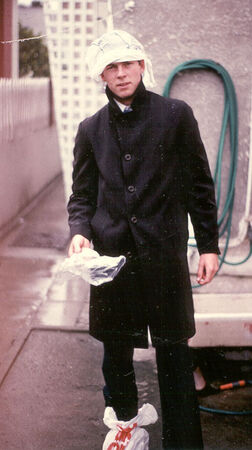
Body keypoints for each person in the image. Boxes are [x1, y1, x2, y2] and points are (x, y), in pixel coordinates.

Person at [67, 30, 219, 449]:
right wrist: (80, 233)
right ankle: (127, 434)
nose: (121, 74)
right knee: (115, 354)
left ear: (142, 65)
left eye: (127, 64)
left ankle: (184, 442)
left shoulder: (175, 115)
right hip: (111, 260)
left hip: (164, 256)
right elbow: (81, 195)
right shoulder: (90, 129)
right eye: (111, 67)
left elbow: (199, 187)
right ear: (101, 74)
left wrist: (208, 245)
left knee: (173, 354)